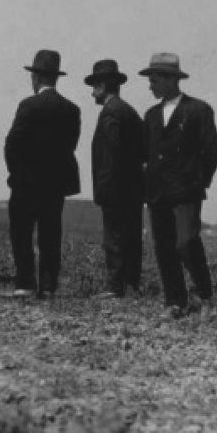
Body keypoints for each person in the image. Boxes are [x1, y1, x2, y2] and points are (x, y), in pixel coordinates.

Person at [140, 52, 217, 320]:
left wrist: (199, 181)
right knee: (163, 246)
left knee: (187, 242)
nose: (150, 85)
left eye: (154, 80)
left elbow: (212, 150)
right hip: (157, 192)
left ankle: (206, 298)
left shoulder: (198, 110)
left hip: (186, 191)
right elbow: (145, 154)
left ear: (170, 80)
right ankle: (175, 302)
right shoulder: (150, 116)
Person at [4, 50, 81, 298]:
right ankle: (48, 286)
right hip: (55, 184)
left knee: (22, 234)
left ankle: (25, 283)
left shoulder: (28, 106)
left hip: (26, 184)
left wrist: (17, 173)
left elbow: (12, 144)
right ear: (56, 78)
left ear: (35, 78)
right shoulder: (71, 109)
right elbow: (70, 146)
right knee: (50, 235)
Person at [85, 59, 144, 299]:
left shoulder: (110, 112)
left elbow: (111, 152)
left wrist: (106, 187)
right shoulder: (129, 111)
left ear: (103, 85)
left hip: (115, 186)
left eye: (94, 86)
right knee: (131, 235)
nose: (92, 93)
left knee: (114, 236)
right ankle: (131, 283)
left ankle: (114, 285)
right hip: (133, 186)